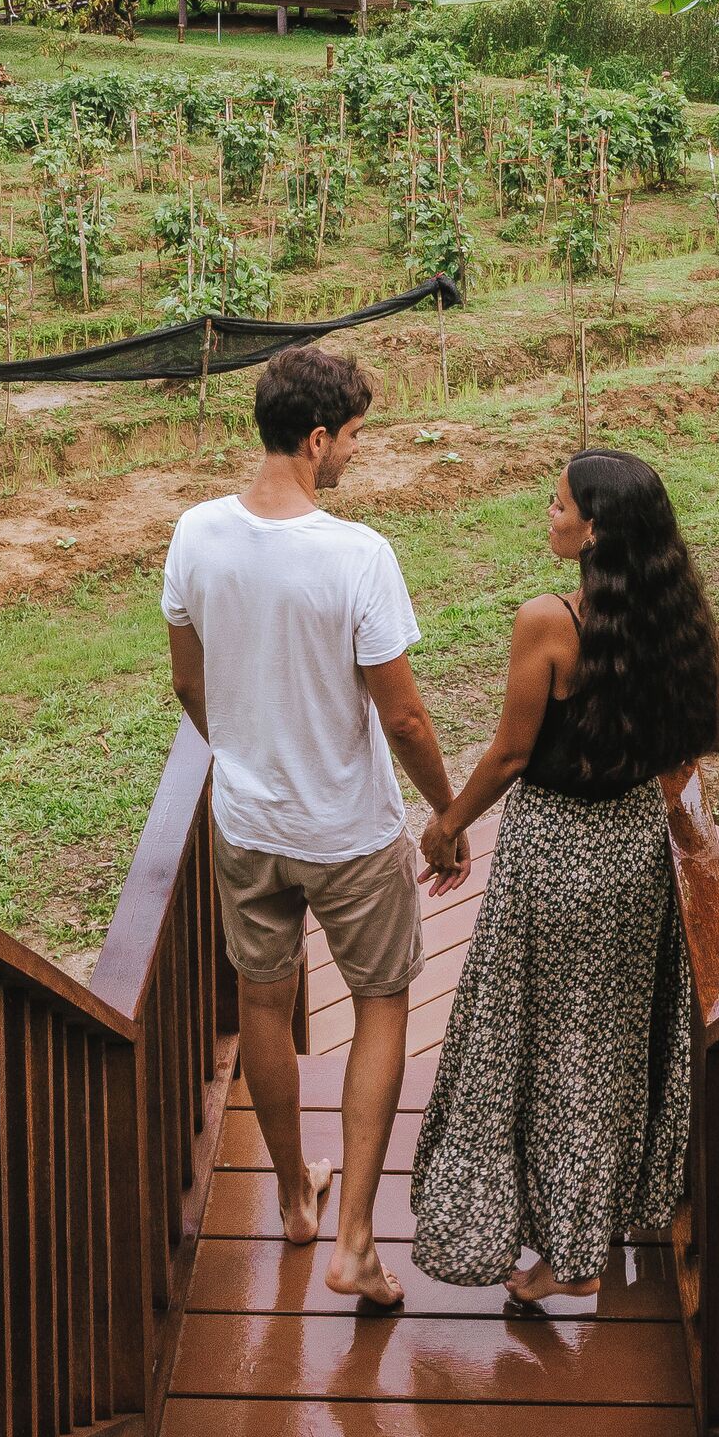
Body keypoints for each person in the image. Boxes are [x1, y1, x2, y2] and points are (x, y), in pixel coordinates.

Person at [162, 340, 466, 1312]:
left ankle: (296, 1201)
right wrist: (447, 815)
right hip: (347, 832)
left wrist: (244, 748)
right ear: (318, 438)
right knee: (380, 1003)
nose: (356, 457)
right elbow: (405, 716)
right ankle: (357, 1242)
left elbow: (185, 678)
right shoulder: (357, 556)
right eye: (354, 440)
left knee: (262, 1005)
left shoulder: (194, 535)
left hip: (247, 824)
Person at [409, 447, 719, 1310]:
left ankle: (568, 1254)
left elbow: (512, 753)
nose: (544, 514)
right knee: (605, 1050)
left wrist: (445, 827)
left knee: (543, 1049)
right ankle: (589, 1225)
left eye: (556, 504)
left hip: (553, 854)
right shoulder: (672, 618)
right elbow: (676, 756)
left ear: (593, 528)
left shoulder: (549, 622)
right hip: (631, 853)